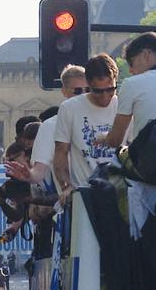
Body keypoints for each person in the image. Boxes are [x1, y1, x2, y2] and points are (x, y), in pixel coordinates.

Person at [52, 54, 121, 197]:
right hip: (85, 191)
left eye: (110, 89)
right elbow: (61, 152)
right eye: (98, 91)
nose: (105, 96)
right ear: (88, 84)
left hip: (120, 190)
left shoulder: (123, 106)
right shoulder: (69, 108)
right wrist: (66, 187)